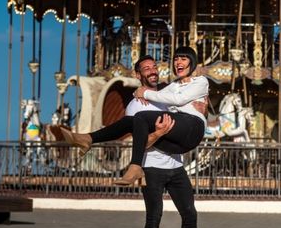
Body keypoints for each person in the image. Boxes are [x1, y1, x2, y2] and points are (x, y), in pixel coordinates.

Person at [126, 55, 218, 228]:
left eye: (154, 66)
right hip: (152, 167)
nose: (152, 71)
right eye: (146, 68)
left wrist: (201, 110)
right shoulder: (136, 105)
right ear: (138, 75)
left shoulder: (168, 95)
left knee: (190, 214)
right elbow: (138, 143)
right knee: (153, 219)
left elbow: (186, 113)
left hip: (176, 166)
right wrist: (157, 134)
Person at [60, 46, 208, 187]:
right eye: (176, 59)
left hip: (193, 128)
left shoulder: (201, 81)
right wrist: (139, 92)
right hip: (176, 142)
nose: (178, 63)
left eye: (183, 59)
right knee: (134, 120)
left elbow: (178, 100)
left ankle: (135, 166)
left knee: (141, 117)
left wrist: (144, 93)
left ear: (192, 62)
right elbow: (161, 96)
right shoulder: (173, 86)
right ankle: (88, 139)